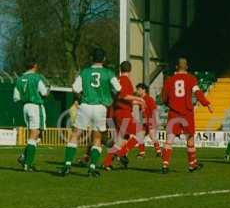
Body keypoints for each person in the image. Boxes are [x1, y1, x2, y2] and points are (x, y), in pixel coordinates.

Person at [60, 48, 121, 177]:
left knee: (75, 134)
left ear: (92, 58)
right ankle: (92, 168)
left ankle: (67, 165)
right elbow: (118, 88)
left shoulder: (85, 72)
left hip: (86, 105)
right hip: (100, 107)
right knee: (97, 137)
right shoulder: (108, 73)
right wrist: (110, 98)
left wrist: (82, 98)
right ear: (104, 59)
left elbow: (75, 88)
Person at [161, 57, 213, 174]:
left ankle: (165, 164)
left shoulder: (169, 80)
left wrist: (169, 104)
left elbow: (164, 98)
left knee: (169, 139)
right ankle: (191, 164)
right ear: (187, 67)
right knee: (190, 138)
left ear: (176, 67)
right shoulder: (191, 79)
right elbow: (197, 92)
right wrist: (207, 104)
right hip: (187, 113)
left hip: (174, 112)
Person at [102, 61, 145, 170]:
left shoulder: (117, 80)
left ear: (120, 70)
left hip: (117, 112)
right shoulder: (126, 81)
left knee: (122, 139)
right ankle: (121, 154)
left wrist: (137, 102)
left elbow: (122, 99)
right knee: (140, 132)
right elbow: (124, 96)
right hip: (123, 113)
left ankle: (107, 162)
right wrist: (138, 99)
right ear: (130, 70)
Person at [14, 58, 49, 171]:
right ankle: (27, 164)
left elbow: (16, 97)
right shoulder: (37, 77)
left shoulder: (19, 79)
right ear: (35, 65)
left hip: (25, 107)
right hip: (35, 106)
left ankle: (24, 157)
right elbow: (44, 93)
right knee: (36, 134)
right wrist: (48, 89)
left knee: (36, 134)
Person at [136, 83, 162, 158]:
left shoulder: (149, 99)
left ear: (143, 90)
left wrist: (156, 120)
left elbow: (154, 110)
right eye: (137, 90)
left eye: (139, 89)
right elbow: (141, 112)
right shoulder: (140, 100)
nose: (137, 91)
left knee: (152, 136)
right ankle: (142, 153)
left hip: (151, 120)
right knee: (140, 136)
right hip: (143, 121)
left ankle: (159, 151)